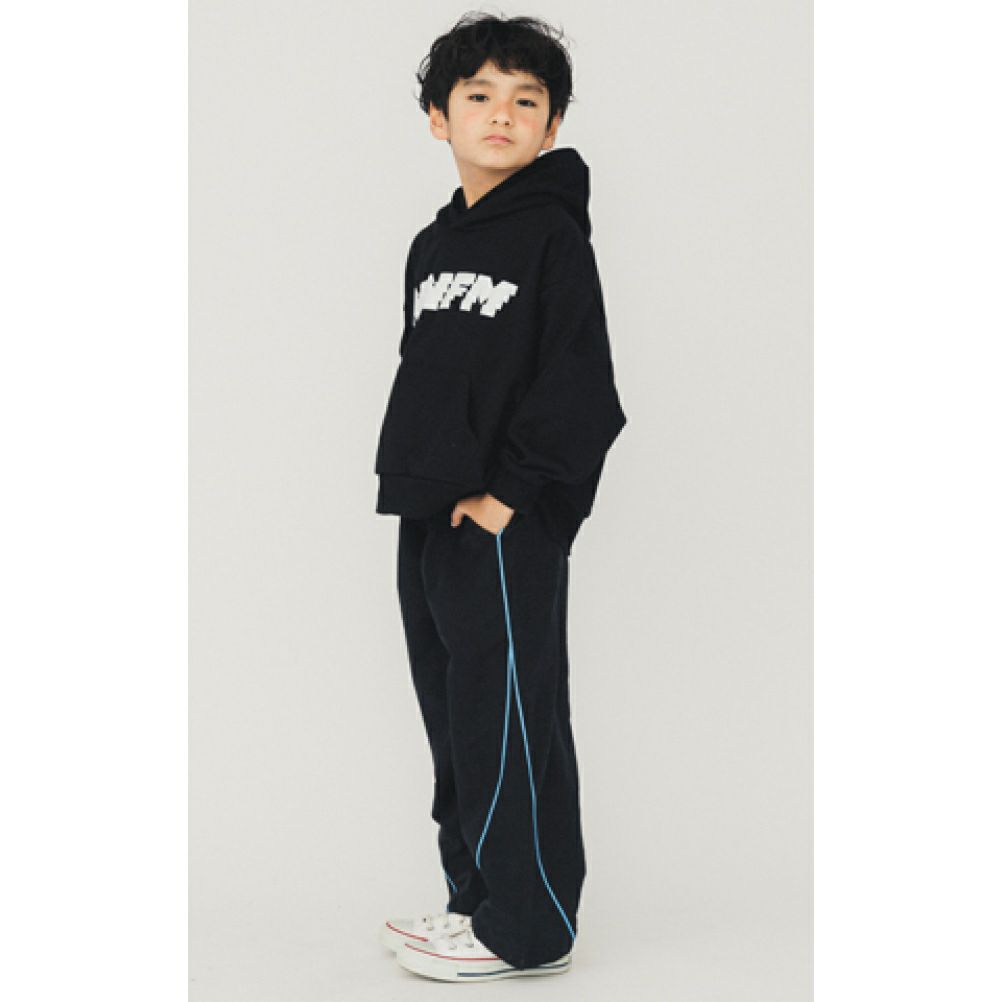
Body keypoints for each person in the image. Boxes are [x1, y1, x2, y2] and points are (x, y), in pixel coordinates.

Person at [372, 12, 628, 982]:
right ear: (439, 118)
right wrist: (426, 488)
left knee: (512, 718)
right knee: (457, 716)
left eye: (527, 100)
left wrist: (509, 498)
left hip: (502, 525)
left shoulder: (553, 237)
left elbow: (581, 386)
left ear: (551, 126)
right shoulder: (432, 245)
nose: (502, 114)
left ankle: (529, 927)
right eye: (478, 95)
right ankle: (475, 901)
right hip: (429, 514)